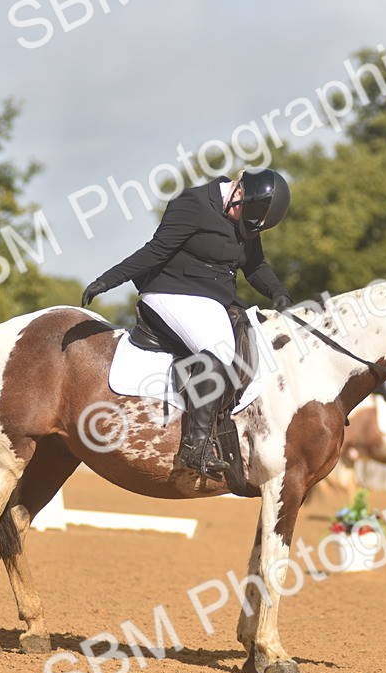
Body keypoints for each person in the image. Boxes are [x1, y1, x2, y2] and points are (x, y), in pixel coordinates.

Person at [81, 168, 294, 478]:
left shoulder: (248, 216)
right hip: (171, 291)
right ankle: (194, 448)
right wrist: (108, 280)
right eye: (242, 215)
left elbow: (254, 265)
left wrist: (279, 293)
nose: (243, 226)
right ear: (238, 192)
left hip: (214, 300)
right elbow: (156, 250)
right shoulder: (192, 203)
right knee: (219, 350)